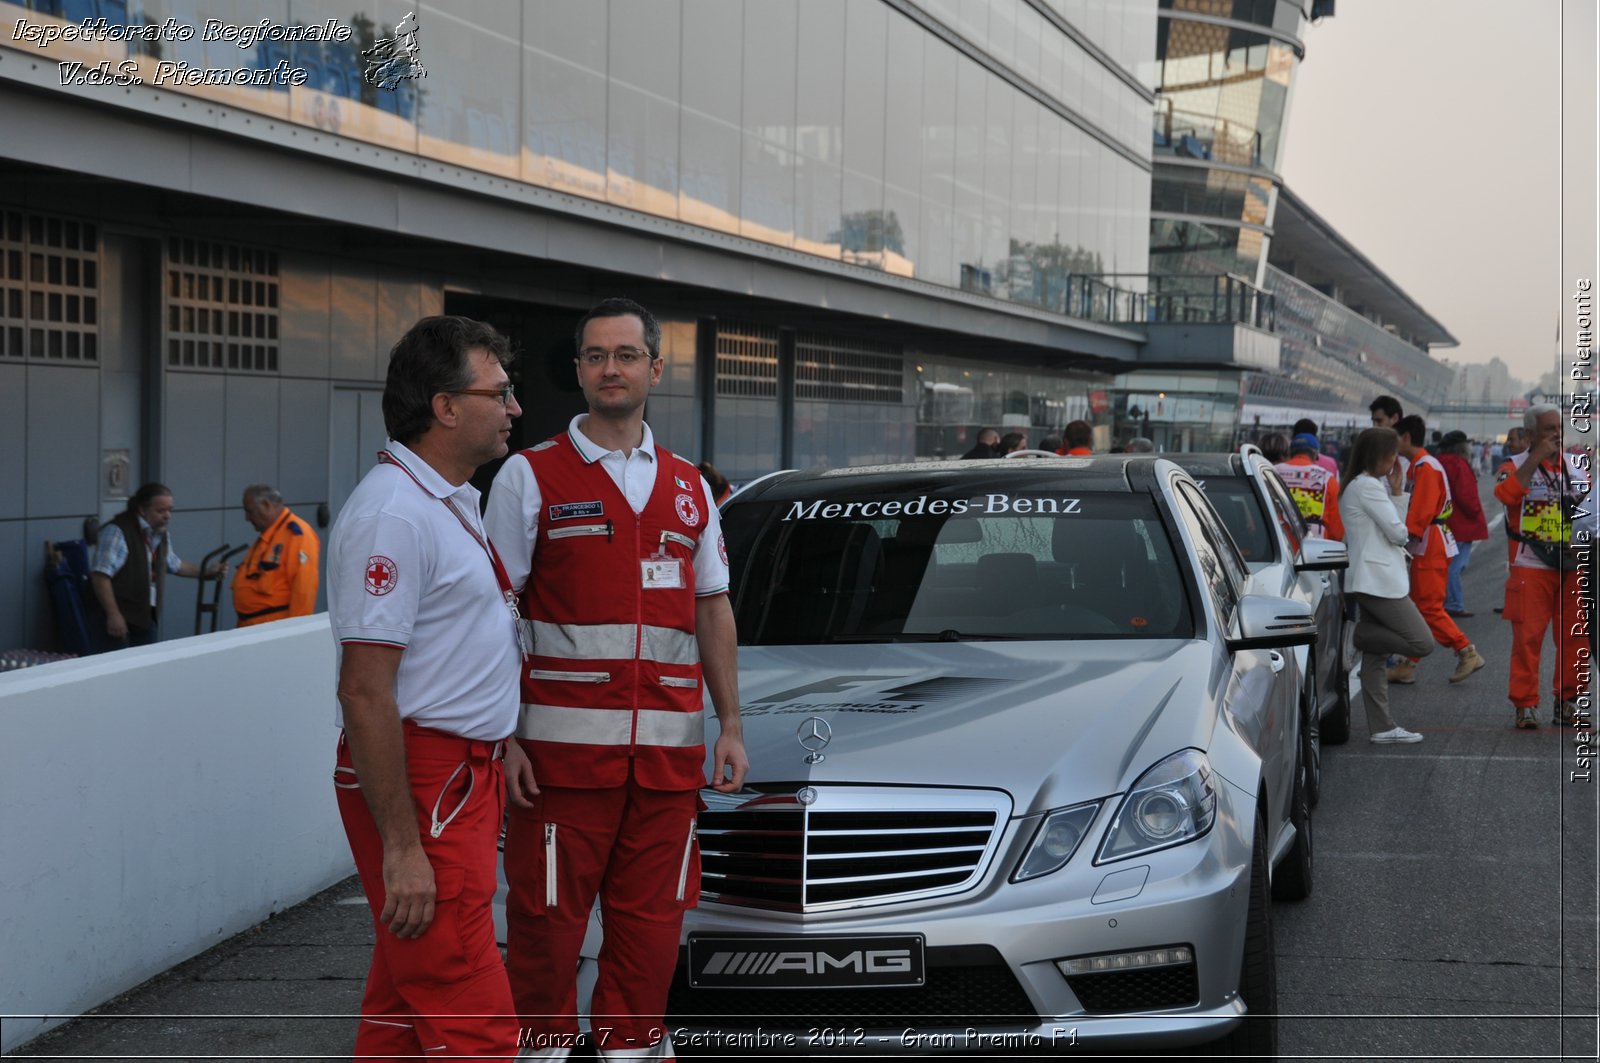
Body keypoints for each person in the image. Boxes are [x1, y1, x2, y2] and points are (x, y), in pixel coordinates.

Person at [485, 297, 748, 1061]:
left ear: (655, 369)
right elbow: (495, 614)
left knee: (652, 933)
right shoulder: (528, 478)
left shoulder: (690, 484)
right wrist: (504, 736)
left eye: (626, 355)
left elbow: (712, 608)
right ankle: (540, 1054)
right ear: (578, 370)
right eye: (596, 355)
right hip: (560, 766)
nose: (611, 368)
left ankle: (632, 1052)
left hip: (666, 769)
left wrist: (729, 725)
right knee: (544, 932)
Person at [326, 316, 524, 1059]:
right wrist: (403, 849)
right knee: (472, 1013)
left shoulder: (442, 498)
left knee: (403, 1008)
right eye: (499, 392)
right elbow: (365, 691)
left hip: (456, 774)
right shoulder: (394, 512)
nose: (514, 408)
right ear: (444, 406)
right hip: (429, 781)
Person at [1494, 404, 1590, 729]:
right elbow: (1506, 495)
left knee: (1576, 637)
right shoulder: (1514, 464)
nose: (1556, 434)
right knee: (1527, 637)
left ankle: (1567, 701)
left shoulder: (1576, 467)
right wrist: (1535, 459)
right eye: (1549, 429)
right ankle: (1525, 705)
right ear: (1531, 434)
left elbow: (1591, 510)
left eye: (1559, 428)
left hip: (1572, 563)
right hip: (1530, 564)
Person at [1337, 427, 1433, 743]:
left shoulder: (1362, 485)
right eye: (1391, 455)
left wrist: (1396, 492)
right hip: (1378, 579)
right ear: (1377, 455)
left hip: (1372, 577)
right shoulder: (1366, 486)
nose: (1395, 462)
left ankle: (1382, 727)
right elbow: (1399, 533)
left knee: (1376, 660)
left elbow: (1393, 527)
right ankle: (1360, 636)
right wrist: (1393, 498)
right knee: (1422, 642)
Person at [1387, 415, 1486, 686]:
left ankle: (1466, 651)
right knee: (1420, 607)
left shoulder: (1426, 467)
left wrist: (1400, 540)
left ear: (1405, 438)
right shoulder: (1419, 465)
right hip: (1428, 542)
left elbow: (1420, 512)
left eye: (1394, 437)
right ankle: (1408, 664)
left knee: (1428, 607)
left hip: (1430, 543)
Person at [89, 482, 222, 648]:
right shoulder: (117, 531)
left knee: (145, 665)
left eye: (169, 510)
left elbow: (174, 564)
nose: (167, 516)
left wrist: (207, 572)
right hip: (118, 618)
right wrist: (113, 614)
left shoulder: (159, 533)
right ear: (142, 510)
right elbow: (101, 576)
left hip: (144, 617)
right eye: (161, 511)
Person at [231, 483, 320, 627]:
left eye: (250, 511)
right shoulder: (270, 536)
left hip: (272, 630)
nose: (247, 518)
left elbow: (304, 591)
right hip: (253, 628)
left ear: (266, 505)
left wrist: (295, 632)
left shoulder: (297, 535)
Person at [1436, 432, 1487, 618]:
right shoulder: (1459, 464)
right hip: (1461, 522)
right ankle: (1454, 603)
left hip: (1445, 520)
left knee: (1448, 564)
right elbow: (1467, 496)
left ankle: (1445, 600)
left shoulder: (1438, 461)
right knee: (1457, 565)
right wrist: (1475, 513)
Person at [1275, 432, 1344, 540]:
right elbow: (1336, 530)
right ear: (1316, 454)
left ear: (1290, 452)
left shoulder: (1273, 471)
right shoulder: (1327, 479)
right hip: (1314, 548)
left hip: (1278, 542)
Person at [1369, 396, 1407, 494]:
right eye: (1373, 421)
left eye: (1379, 421)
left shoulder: (1408, 459)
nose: (1375, 426)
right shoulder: (1370, 453)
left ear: (1394, 418)